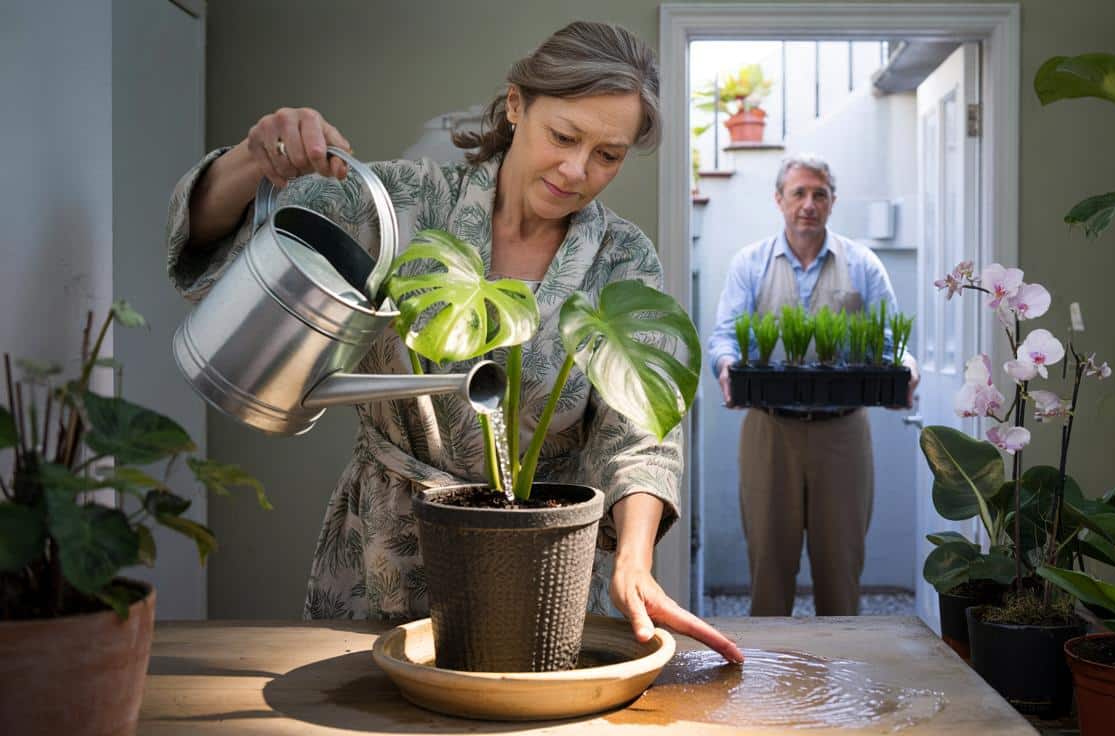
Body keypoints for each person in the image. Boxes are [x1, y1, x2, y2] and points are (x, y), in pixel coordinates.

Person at [167, 21, 742, 664]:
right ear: (518, 104)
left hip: (541, 571)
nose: (578, 170)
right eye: (564, 136)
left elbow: (638, 427)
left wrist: (636, 559)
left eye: (607, 155)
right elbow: (239, 233)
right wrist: (254, 156)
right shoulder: (408, 204)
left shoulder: (621, 256)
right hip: (388, 551)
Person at [708, 155, 919, 617]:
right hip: (769, 429)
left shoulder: (862, 264)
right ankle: (768, 678)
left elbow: (889, 342)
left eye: (819, 194)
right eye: (798, 193)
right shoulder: (751, 263)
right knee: (768, 563)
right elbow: (725, 335)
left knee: (841, 565)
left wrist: (906, 365)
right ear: (779, 200)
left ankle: (838, 679)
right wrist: (726, 366)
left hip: (843, 432)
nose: (808, 203)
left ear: (832, 202)